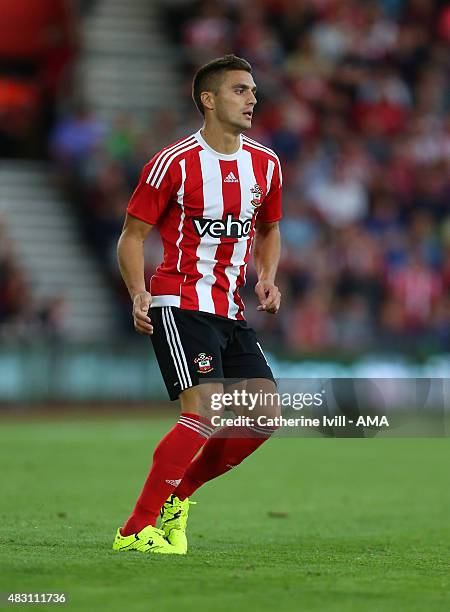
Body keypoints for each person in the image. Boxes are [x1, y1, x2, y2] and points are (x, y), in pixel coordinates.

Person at [113, 54, 282, 554]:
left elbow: (269, 229)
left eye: (252, 90)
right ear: (208, 100)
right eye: (240, 90)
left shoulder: (266, 164)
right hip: (179, 301)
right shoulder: (174, 162)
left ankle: (177, 496)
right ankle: (135, 531)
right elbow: (131, 236)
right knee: (203, 413)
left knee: (264, 416)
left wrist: (267, 277)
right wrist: (138, 292)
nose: (252, 98)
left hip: (230, 308)